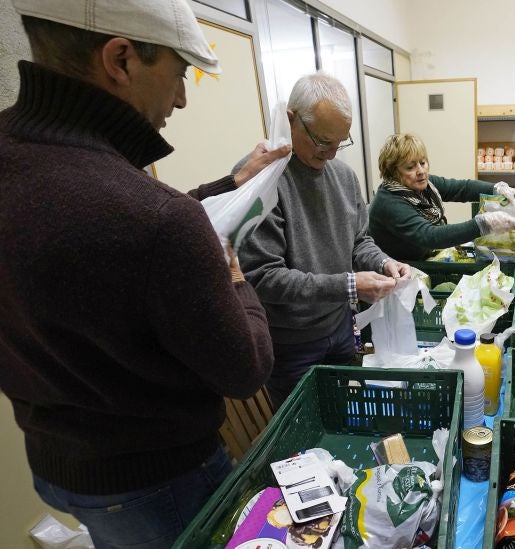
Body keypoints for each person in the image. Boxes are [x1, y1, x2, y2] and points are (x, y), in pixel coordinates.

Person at [0, 1, 291, 546]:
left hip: (54, 464)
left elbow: (104, 235)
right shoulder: (152, 217)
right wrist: (234, 276)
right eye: (180, 75)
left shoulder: (32, 169)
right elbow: (246, 368)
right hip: (158, 482)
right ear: (122, 58)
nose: (181, 98)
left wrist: (229, 185)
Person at [238, 73, 411, 411]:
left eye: (340, 143)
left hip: (341, 330)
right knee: (306, 442)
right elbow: (263, 278)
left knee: (348, 415)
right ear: (291, 119)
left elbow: (359, 241)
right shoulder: (261, 180)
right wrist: (349, 286)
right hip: (292, 345)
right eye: (322, 142)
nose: (331, 154)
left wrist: (382, 262)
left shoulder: (344, 177)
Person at [368, 133, 515, 261]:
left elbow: (462, 188)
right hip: (395, 270)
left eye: (423, 163)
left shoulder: (425, 184)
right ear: (393, 172)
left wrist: (495, 189)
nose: (421, 171)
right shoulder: (389, 201)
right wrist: (482, 224)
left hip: (421, 258)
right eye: (410, 167)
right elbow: (430, 235)